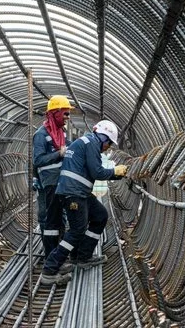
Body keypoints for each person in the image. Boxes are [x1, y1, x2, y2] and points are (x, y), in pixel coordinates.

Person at [40, 120, 128, 285]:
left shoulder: (85, 142)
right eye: (109, 143)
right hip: (74, 193)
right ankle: (50, 269)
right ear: (103, 137)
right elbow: (97, 171)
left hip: (80, 192)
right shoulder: (91, 144)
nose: (108, 147)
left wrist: (115, 174)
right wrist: (115, 172)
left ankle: (83, 256)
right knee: (77, 230)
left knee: (100, 215)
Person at [33, 96, 74, 274]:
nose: (67, 117)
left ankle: (58, 256)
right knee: (51, 221)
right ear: (55, 113)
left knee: (60, 219)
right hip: (49, 182)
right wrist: (59, 153)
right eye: (65, 113)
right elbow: (38, 160)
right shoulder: (41, 134)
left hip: (60, 181)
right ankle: (52, 259)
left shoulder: (61, 132)